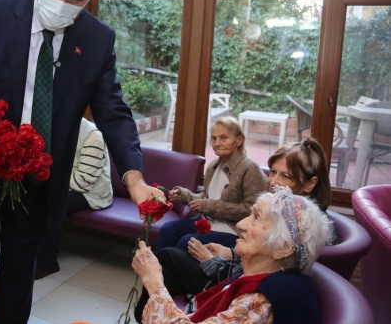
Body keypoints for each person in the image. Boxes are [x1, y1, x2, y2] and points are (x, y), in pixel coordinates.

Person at [0, 0, 163, 324]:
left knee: (19, 278)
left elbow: (114, 113)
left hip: (39, 181)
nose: (61, 2)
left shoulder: (96, 39)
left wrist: (135, 177)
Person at [134, 138, 334, 322]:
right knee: (173, 242)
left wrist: (154, 283)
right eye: (273, 171)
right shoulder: (277, 266)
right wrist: (228, 254)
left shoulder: (261, 299)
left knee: (174, 253)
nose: (241, 224)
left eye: (256, 218)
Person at [156, 116, 267, 252]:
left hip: (232, 230)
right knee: (167, 230)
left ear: (239, 140)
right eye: (214, 138)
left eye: (223, 138)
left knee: (186, 242)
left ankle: (178, 271)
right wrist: (183, 196)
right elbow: (206, 196)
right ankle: (161, 272)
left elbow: (251, 210)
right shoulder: (214, 165)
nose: (217, 143)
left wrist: (208, 206)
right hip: (207, 222)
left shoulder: (250, 169)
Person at [35, 117, 113, 279]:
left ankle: (47, 263)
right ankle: (31, 252)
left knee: (51, 204)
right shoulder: (52, 129)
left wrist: (50, 182)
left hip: (92, 194)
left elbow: (83, 182)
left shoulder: (93, 135)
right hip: (64, 185)